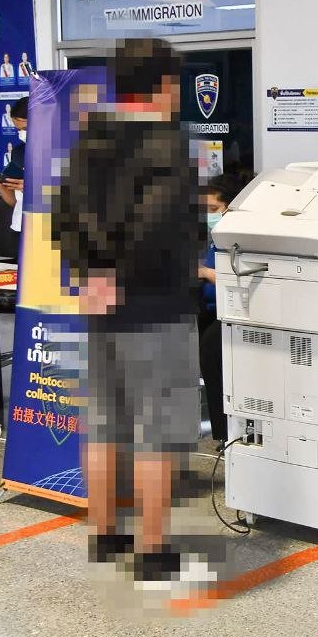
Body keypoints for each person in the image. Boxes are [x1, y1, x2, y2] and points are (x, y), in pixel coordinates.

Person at [51, 37, 200, 584]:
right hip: (154, 300)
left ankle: (105, 534)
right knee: (158, 427)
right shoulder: (167, 143)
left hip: (100, 302)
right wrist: (122, 273)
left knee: (104, 420)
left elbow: (63, 217)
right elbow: (155, 227)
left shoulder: (88, 139)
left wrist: (92, 274)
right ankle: (153, 552)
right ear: (165, 85)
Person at [197, 170, 249, 443]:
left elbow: (239, 277)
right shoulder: (217, 236)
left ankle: (227, 434)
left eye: (214, 208)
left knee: (220, 370)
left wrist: (205, 273)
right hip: (210, 312)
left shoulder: (240, 236)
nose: (209, 215)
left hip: (232, 317)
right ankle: (221, 434)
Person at [0, 97, 28, 246]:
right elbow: (14, 202)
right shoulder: (19, 153)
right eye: (18, 129)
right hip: (20, 229)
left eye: (25, 129)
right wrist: (1, 185)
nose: (21, 133)